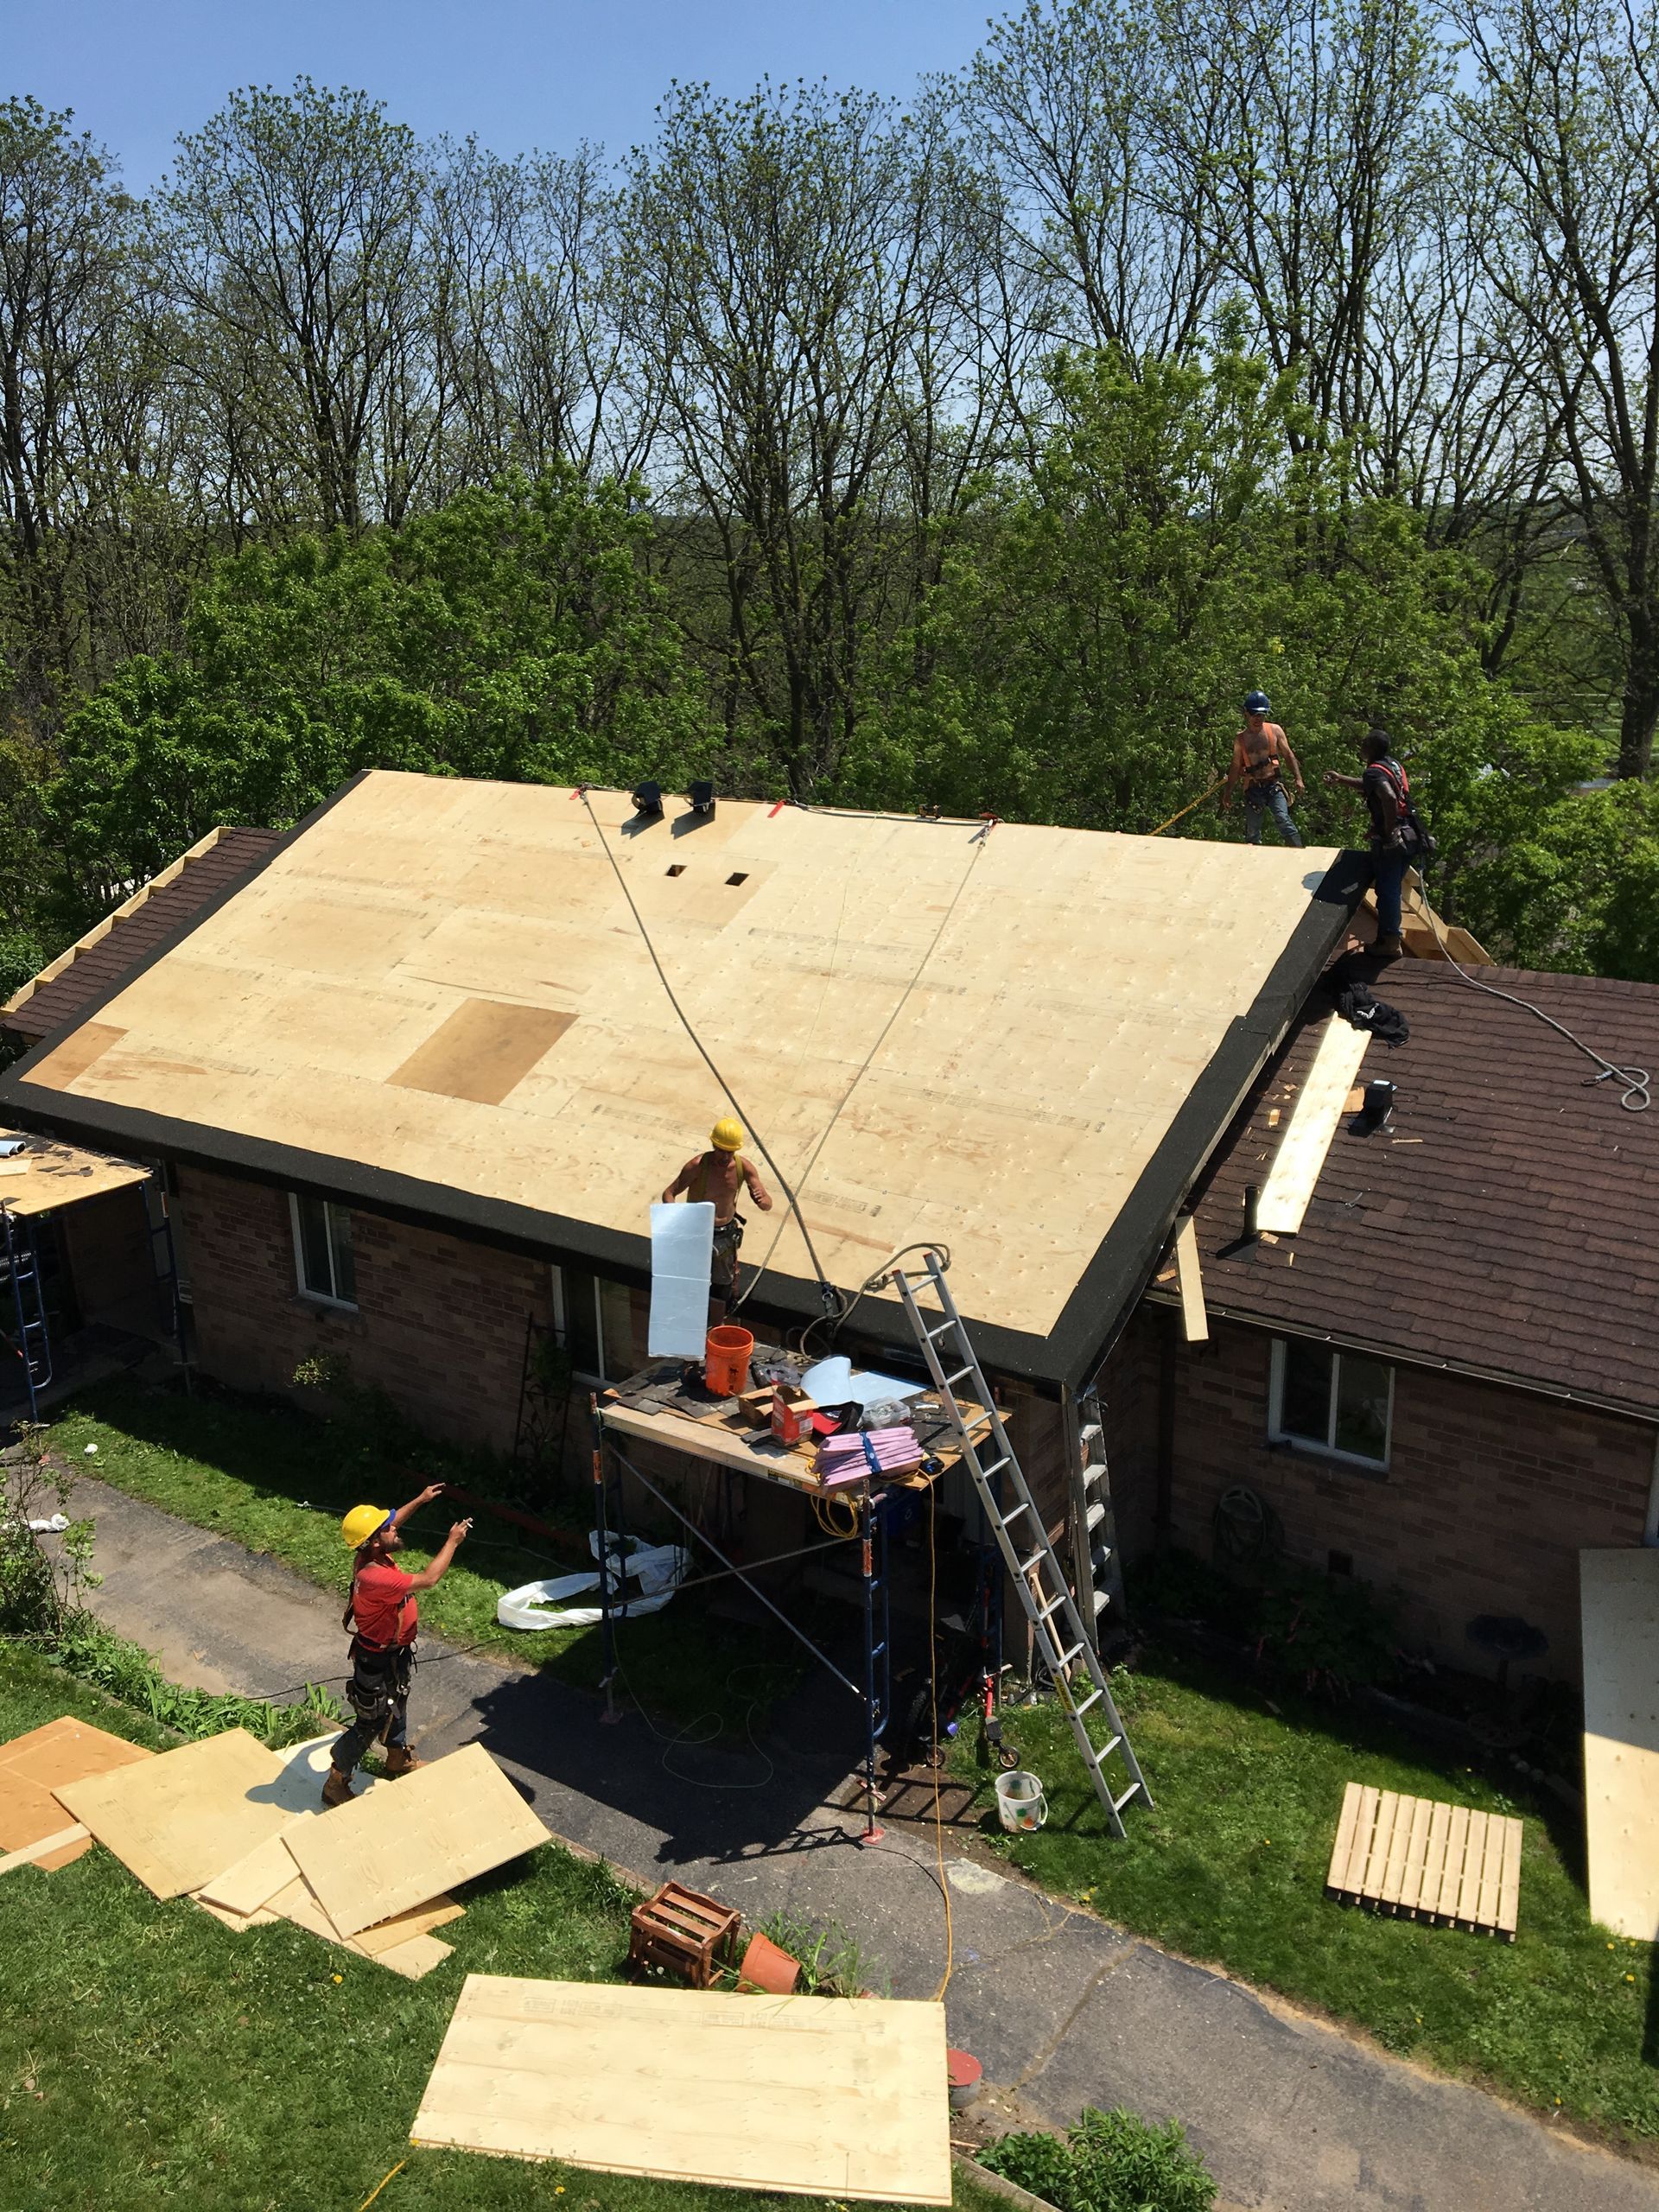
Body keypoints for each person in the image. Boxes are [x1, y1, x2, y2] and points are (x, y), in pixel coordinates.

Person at [322, 1484, 471, 1808]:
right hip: (376, 1661)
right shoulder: (377, 1577)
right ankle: (336, 1780)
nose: (395, 1528)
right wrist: (452, 1541)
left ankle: (396, 1759)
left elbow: (393, 1522)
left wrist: (420, 1499)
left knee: (396, 1701)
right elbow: (429, 1579)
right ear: (376, 1540)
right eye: (387, 1528)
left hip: (391, 1655)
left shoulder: (370, 1551)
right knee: (371, 1721)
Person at [661, 1116, 774, 1322]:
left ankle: (715, 1328)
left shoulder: (743, 1167)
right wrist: (676, 1222)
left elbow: (768, 1205)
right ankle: (689, 1324)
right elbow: (669, 1193)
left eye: (729, 1152)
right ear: (713, 1144)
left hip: (725, 1235)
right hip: (697, 1233)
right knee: (693, 1282)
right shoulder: (698, 1166)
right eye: (721, 1150)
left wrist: (761, 1198)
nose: (724, 1156)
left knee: (723, 1285)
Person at [1325, 728, 1409, 957]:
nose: (1361, 747)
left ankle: (1390, 942)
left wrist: (1388, 832)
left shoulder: (1374, 772)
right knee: (1393, 888)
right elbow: (1373, 786)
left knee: (1388, 889)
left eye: (1364, 744)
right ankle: (1388, 938)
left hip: (1392, 838)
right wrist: (1341, 779)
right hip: (1410, 834)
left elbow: (1389, 797)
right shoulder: (1393, 766)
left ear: (1371, 748)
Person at [1222, 690, 1305, 848]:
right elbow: (1235, 767)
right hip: (1253, 788)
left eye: (1262, 715)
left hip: (1273, 785)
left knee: (1283, 819)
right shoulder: (1241, 739)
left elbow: (1288, 755)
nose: (1258, 719)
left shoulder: (1274, 731)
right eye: (1255, 715)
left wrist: (1298, 778)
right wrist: (1228, 793)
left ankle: (1298, 850)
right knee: (1253, 831)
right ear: (1247, 714)